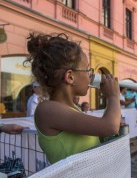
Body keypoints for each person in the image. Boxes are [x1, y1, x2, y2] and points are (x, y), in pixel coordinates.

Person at [24, 33, 121, 164]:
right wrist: (113, 96)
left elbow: (94, 138)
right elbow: (110, 126)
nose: (90, 76)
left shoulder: (73, 108)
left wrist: (105, 134)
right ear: (70, 76)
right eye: (87, 70)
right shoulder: (47, 110)